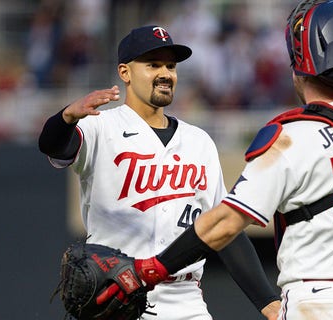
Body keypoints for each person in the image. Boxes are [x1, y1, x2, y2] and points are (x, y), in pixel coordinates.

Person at [125, 1, 333, 320]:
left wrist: (147, 270)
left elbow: (225, 224)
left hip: (314, 302)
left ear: (300, 67)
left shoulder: (289, 138)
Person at [38, 25, 280, 319]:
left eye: (171, 66)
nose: (165, 73)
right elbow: (53, 145)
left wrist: (268, 302)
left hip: (186, 300)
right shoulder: (100, 126)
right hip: (120, 298)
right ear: (125, 73)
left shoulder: (198, 141)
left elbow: (224, 230)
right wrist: (65, 118)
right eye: (153, 64)